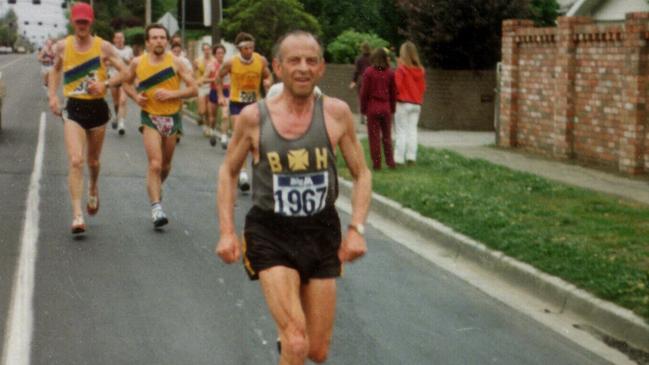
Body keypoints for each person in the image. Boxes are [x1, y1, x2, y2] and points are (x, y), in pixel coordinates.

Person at [215, 30, 371, 365]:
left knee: (317, 350)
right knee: (297, 342)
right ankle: (289, 339)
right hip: (271, 232)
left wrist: (357, 227)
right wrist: (227, 231)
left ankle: (287, 342)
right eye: (294, 60)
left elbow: (363, 173)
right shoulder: (254, 118)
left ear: (321, 68)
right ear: (278, 67)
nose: (303, 67)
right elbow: (228, 172)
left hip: (321, 231)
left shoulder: (336, 113)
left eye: (311, 60)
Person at [47, 2, 128, 234]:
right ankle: (77, 214)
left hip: (97, 110)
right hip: (74, 108)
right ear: (73, 22)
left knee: (93, 162)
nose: (82, 25)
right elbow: (55, 70)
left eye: (85, 21)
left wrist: (105, 83)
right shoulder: (63, 47)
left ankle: (93, 187)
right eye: (78, 21)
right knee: (75, 159)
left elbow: (125, 72)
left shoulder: (104, 48)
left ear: (90, 22)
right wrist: (53, 96)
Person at [122, 24, 198, 228]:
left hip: (172, 118)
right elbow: (126, 83)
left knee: (165, 166)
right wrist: (136, 97)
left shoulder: (177, 63)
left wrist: (172, 94)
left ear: (167, 41)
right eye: (154, 38)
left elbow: (194, 90)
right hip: (150, 117)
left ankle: (156, 187)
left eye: (162, 38)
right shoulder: (138, 62)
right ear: (147, 42)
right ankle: (156, 207)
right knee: (155, 163)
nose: (159, 41)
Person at [216, 32, 272, 191]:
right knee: (241, 137)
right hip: (237, 104)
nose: (249, 51)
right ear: (239, 48)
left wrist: (268, 83)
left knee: (256, 140)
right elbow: (218, 78)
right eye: (246, 48)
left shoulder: (260, 60)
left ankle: (259, 174)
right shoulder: (230, 63)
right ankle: (242, 172)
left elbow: (268, 75)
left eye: (251, 47)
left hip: (254, 103)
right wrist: (220, 95)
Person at [360, 47, 396, 170]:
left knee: (374, 137)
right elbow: (393, 93)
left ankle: (377, 164)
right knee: (387, 136)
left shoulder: (369, 72)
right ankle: (390, 162)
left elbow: (364, 93)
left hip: (373, 107)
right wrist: (392, 109)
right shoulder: (390, 73)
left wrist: (363, 109)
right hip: (385, 107)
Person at [394, 41, 426, 165]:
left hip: (403, 103)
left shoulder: (401, 70)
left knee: (401, 131)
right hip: (416, 104)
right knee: (412, 130)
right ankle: (411, 156)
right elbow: (423, 88)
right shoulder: (421, 70)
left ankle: (398, 158)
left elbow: (397, 86)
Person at [108, 31, 134, 135]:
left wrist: (126, 61)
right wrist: (114, 62)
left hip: (125, 78)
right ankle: (116, 116)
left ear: (124, 39)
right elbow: (106, 62)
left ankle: (121, 123)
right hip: (114, 77)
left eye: (121, 38)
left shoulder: (129, 50)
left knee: (123, 100)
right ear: (114, 40)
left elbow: (132, 63)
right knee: (116, 102)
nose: (119, 40)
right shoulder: (111, 49)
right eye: (117, 38)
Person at [203, 44, 228, 147]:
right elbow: (204, 79)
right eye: (218, 53)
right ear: (214, 54)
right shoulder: (211, 65)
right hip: (214, 92)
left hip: (226, 91)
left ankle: (224, 137)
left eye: (222, 53)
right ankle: (212, 131)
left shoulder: (228, 64)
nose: (220, 55)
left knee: (225, 116)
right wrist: (213, 79)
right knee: (212, 118)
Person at [348, 42, 371, 125]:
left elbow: (356, 71)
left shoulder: (359, 59)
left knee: (361, 99)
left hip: (362, 80)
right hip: (371, 80)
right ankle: (368, 117)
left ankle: (362, 118)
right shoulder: (373, 58)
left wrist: (353, 81)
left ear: (362, 49)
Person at [193, 43, 213, 129]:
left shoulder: (214, 61)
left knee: (209, 110)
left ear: (211, 50)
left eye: (208, 49)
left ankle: (207, 127)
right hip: (201, 86)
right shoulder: (197, 61)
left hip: (211, 85)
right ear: (202, 51)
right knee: (202, 110)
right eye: (205, 49)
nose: (207, 51)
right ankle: (200, 115)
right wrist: (195, 82)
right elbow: (193, 73)